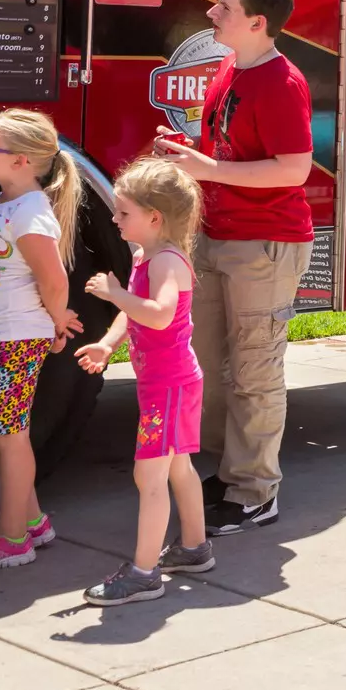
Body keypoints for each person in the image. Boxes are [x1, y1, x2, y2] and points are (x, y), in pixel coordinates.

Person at [154, 0, 315, 535]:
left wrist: (210, 168)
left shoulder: (282, 82)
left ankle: (255, 491)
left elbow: (294, 168)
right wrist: (186, 155)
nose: (210, 14)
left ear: (257, 22)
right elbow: (226, 148)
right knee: (211, 365)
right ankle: (230, 472)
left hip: (264, 245)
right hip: (219, 238)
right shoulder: (230, 68)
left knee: (254, 370)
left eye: (223, 7)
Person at [74, 159, 213, 604]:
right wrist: (107, 344)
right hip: (170, 383)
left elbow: (159, 313)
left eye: (123, 213)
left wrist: (116, 293)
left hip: (170, 386)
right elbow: (132, 313)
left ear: (155, 217)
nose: (115, 220)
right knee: (178, 467)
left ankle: (143, 573)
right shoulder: (144, 256)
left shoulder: (168, 262)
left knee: (148, 476)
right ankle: (194, 549)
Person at [0, 110, 82, 571]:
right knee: (0, 434)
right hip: (1, 336)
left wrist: (56, 323)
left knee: (10, 437)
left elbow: (53, 280)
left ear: (21, 161)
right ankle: (33, 523)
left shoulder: (30, 212)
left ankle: (11, 540)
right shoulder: (2, 203)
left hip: (15, 337)